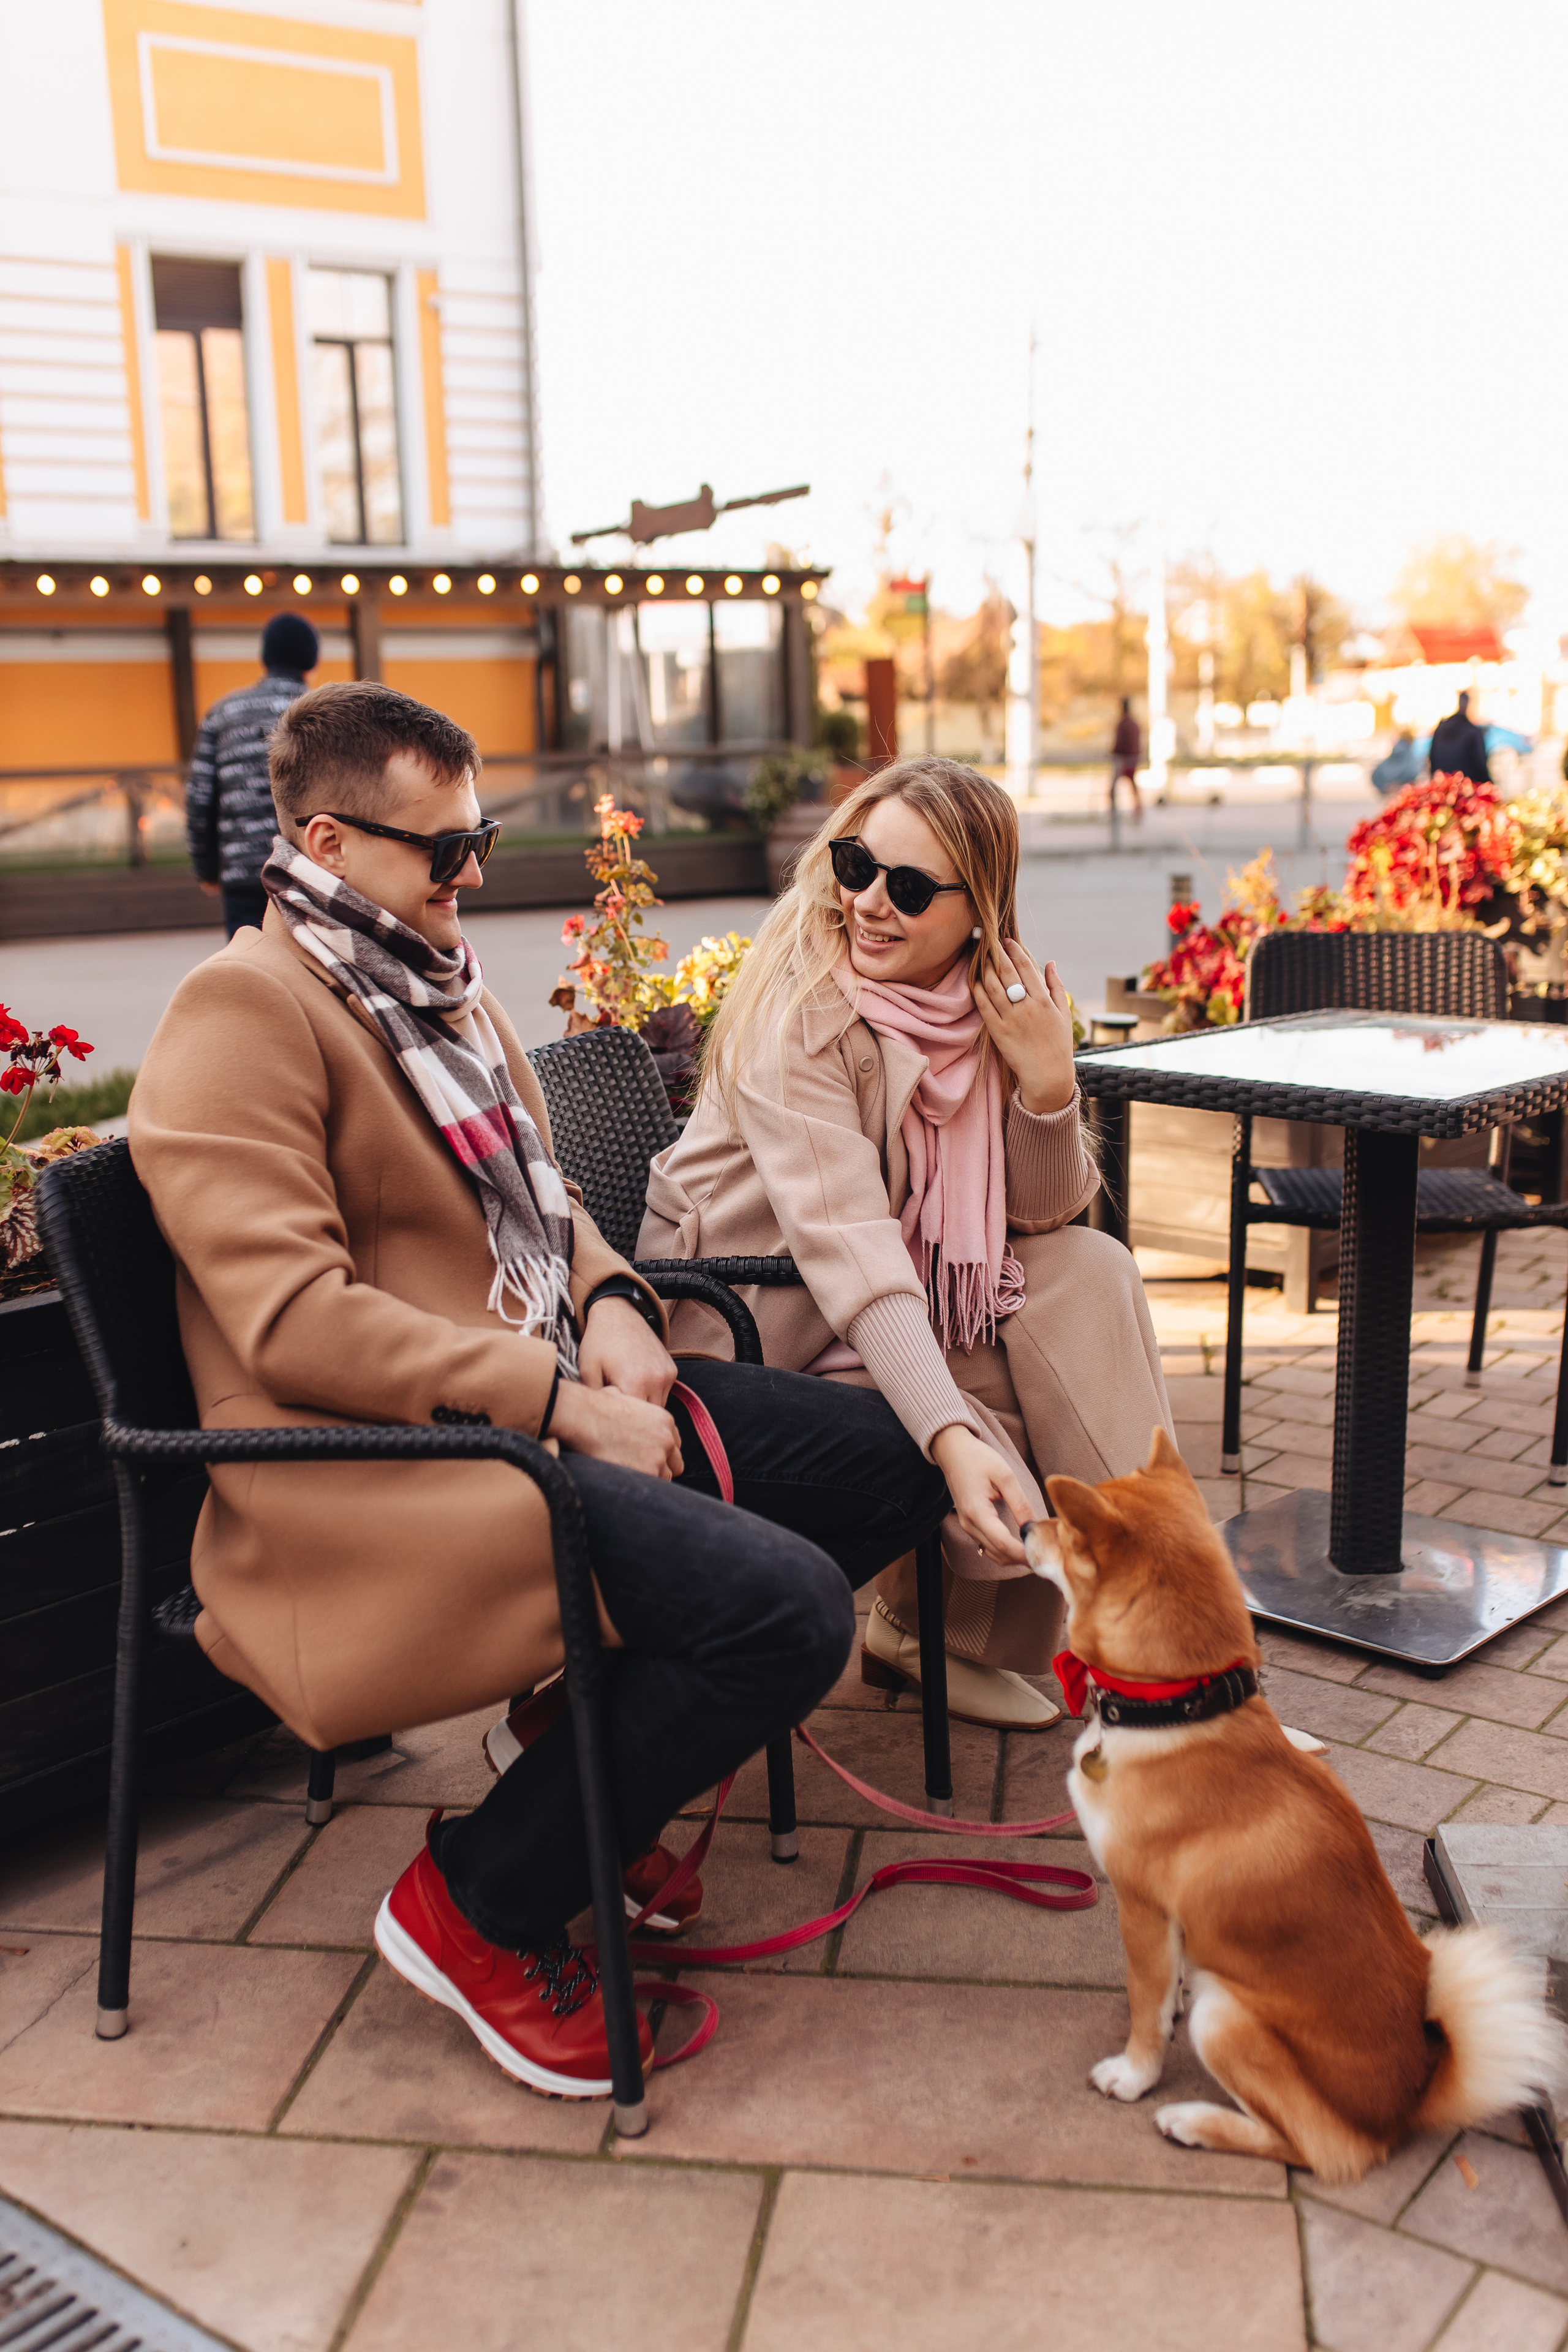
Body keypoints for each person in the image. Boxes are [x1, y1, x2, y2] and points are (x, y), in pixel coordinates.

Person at [132, 681, 951, 2100]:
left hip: (521, 1410)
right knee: (786, 1615)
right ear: (326, 843)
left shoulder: (435, 985)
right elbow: (292, 1321)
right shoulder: (240, 1010)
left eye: (481, 839)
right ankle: (480, 1901)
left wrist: (617, 1305)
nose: (469, 874)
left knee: (899, 1460)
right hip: (378, 1472)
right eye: (441, 847)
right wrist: (561, 1402)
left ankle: (581, 1748)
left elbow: (548, 1205)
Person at [638, 754, 1174, 1733]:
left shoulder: (979, 1007)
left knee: (1091, 1275)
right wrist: (949, 1432)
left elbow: (1040, 1221)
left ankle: (1070, 1640)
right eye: (857, 866)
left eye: (912, 888)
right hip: (749, 1327)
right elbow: (852, 1247)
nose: (870, 905)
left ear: (979, 911)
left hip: (858, 1296)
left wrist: (1048, 1084)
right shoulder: (802, 1015)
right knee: (1036, 1368)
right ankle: (1157, 1664)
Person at [186, 611, 319, 938]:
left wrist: (207, 869)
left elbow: (200, 798)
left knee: (248, 959)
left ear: (265, 657)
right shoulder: (320, 712)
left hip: (243, 869)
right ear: (311, 660)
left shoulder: (224, 712)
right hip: (309, 868)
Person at [1427, 690, 1491, 785]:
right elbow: (1480, 766)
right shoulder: (1472, 732)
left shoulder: (1441, 729)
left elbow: (1432, 759)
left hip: (1442, 785)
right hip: (1466, 787)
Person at [1110, 696, 1142, 822]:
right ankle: (1138, 810)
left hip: (1123, 760)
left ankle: (1114, 813)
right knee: (1133, 786)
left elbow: (1120, 743)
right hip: (1133, 760)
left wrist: (1113, 752)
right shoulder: (1134, 723)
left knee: (1113, 789)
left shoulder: (1123, 724)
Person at [1371, 730, 1422, 794]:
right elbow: (1413, 771)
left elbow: (1376, 775)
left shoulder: (1397, 752)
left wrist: (1384, 786)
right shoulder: (1407, 752)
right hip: (1403, 789)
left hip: (1390, 789)